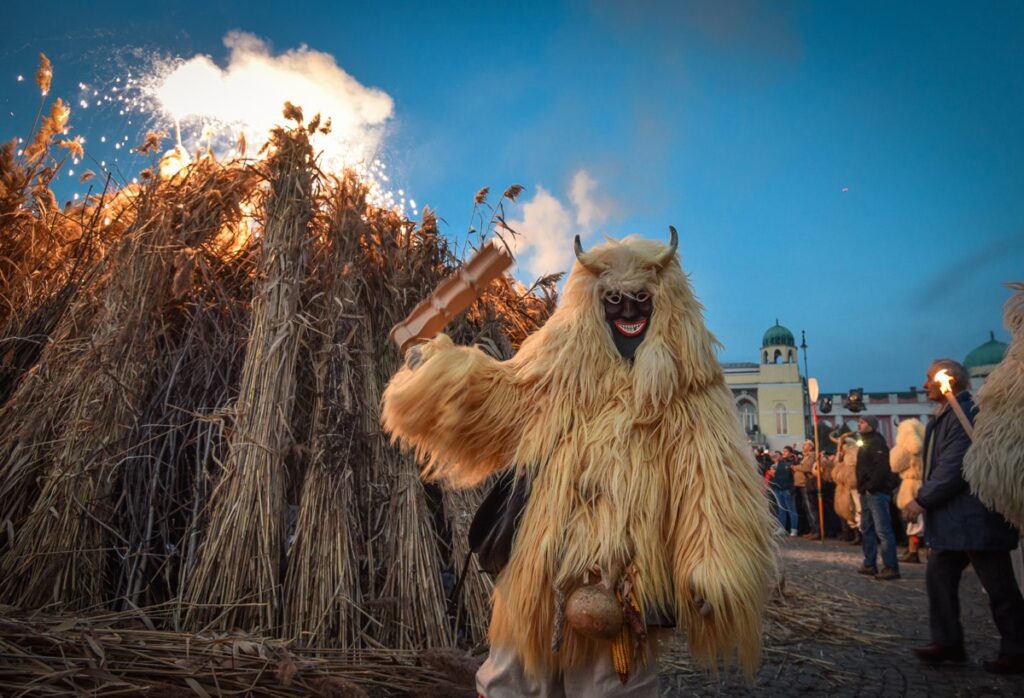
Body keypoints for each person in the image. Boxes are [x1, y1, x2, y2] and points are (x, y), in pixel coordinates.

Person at [382, 231, 776, 695]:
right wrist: (438, 374)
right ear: (592, 302)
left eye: (641, 299)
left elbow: (712, 480)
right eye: (613, 299)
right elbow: (501, 396)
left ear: (666, 302)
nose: (628, 311)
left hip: (622, 571)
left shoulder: (690, 390)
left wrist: (714, 563)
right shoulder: (558, 363)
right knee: (514, 679)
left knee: (610, 687)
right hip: (539, 560)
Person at [904, 359, 1024, 674]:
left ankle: (1017, 649)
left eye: (930, 378)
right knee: (938, 577)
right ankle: (948, 643)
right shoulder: (946, 415)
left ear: (950, 381)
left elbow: (955, 464)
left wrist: (922, 500)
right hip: (953, 521)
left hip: (976, 516)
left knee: (999, 587)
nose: (925, 384)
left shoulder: (967, 413)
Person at [855, 415, 900, 580]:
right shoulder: (865, 442)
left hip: (876, 493)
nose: (859, 425)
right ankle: (869, 563)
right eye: (859, 422)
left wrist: (870, 486)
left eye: (862, 422)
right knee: (867, 529)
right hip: (866, 493)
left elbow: (881, 467)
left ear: (871, 426)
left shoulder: (876, 442)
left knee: (883, 531)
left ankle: (890, 566)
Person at [890, 418, 926, 563]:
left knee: (912, 520)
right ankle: (918, 550)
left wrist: (898, 447)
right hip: (924, 483)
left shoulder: (904, 449)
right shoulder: (926, 445)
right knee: (922, 521)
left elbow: (894, 465)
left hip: (910, 485)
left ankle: (913, 551)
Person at [793, 440, 820, 539]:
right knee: (807, 510)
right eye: (803, 445)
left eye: (806, 445)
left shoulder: (812, 455)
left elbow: (807, 467)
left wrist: (796, 467)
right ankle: (812, 530)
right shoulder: (805, 456)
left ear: (811, 447)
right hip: (800, 485)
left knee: (811, 508)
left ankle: (816, 530)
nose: (803, 446)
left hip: (806, 484)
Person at [768, 450, 798, 536]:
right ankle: (782, 528)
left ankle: (794, 529)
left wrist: (791, 490)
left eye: (786, 451)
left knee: (791, 510)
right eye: (783, 451)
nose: (784, 452)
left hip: (787, 489)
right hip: (778, 489)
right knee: (781, 510)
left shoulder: (791, 463)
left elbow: (794, 478)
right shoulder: (778, 464)